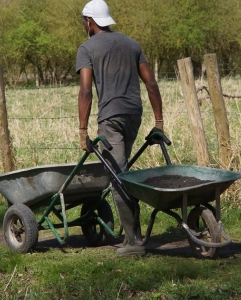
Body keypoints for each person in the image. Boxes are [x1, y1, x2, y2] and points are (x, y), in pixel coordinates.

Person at [76, 0, 164, 256]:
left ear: (90, 22)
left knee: (117, 177)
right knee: (122, 170)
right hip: (134, 115)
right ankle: (133, 233)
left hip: (111, 119)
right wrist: (158, 122)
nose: (84, 25)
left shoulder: (87, 48)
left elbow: (85, 91)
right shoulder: (131, 43)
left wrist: (83, 130)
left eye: (84, 21)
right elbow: (151, 83)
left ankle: (134, 243)